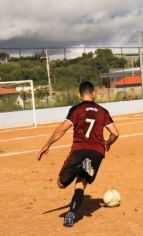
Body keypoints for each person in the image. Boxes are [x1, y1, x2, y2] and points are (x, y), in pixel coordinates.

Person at [36, 81, 119, 227]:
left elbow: (62, 128)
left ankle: (81, 166)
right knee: (80, 184)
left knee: (61, 183)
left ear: (79, 94)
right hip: (97, 153)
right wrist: (108, 143)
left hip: (79, 150)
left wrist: (47, 144)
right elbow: (115, 133)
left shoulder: (77, 109)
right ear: (94, 93)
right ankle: (71, 214)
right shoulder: (103, 111)